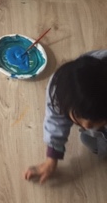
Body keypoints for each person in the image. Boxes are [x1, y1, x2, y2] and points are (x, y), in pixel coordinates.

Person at [24, 50, 107, 184]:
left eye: (97, 119)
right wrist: (51, 159)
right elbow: (55, 121)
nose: (86, 125)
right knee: (89, 140)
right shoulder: (61, 89)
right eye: (79, 115)